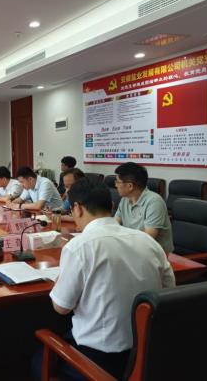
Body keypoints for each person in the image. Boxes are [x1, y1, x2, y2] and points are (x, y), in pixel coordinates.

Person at [35, 179, 175, 380]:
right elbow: (168, 291)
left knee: (38, 361)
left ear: (77, 208)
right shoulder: (147, 241)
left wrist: (60, 278)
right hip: (148, 354)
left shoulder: (79, 247)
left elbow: (61, 307)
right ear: (111, 206)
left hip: (99, 360)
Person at [114, 162, 174, 254]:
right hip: (132, 250)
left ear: (130, 186)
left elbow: (147, 239)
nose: (115, 185)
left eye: (118, 182)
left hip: (154, 255)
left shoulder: (154, 202)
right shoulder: (125, 200)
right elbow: (114, 225)